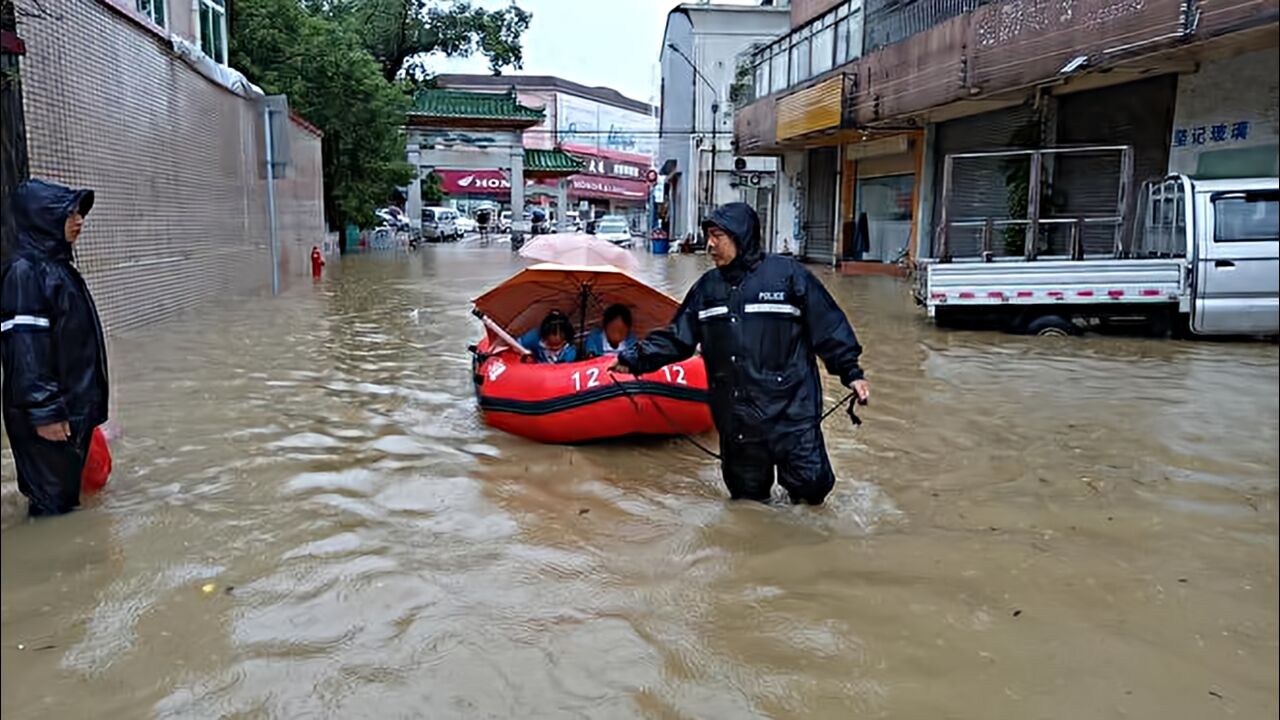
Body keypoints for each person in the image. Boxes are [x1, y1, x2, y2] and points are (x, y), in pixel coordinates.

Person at [612, 202, 869, 506]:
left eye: (717, 235)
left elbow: (827, 326)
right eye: (708, 236)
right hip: (738, 418)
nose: (709, 245)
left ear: (741, 235)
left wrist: (851, 373)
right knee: (748, 502)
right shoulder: (706, 289)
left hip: (791, 411)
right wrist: (635, 358)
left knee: (812, 490)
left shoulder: (788, 276)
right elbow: (677, 337)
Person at [1, 179, 109, 517]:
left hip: (69, 412)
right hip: (47, 418)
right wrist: (45, 411)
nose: (79, 221)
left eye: (80, 213)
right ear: (42, 217)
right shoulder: (26, 273)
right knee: (54, 510)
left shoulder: (57, 270)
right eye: (69, 214)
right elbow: (25, 349)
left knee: (71, 501)